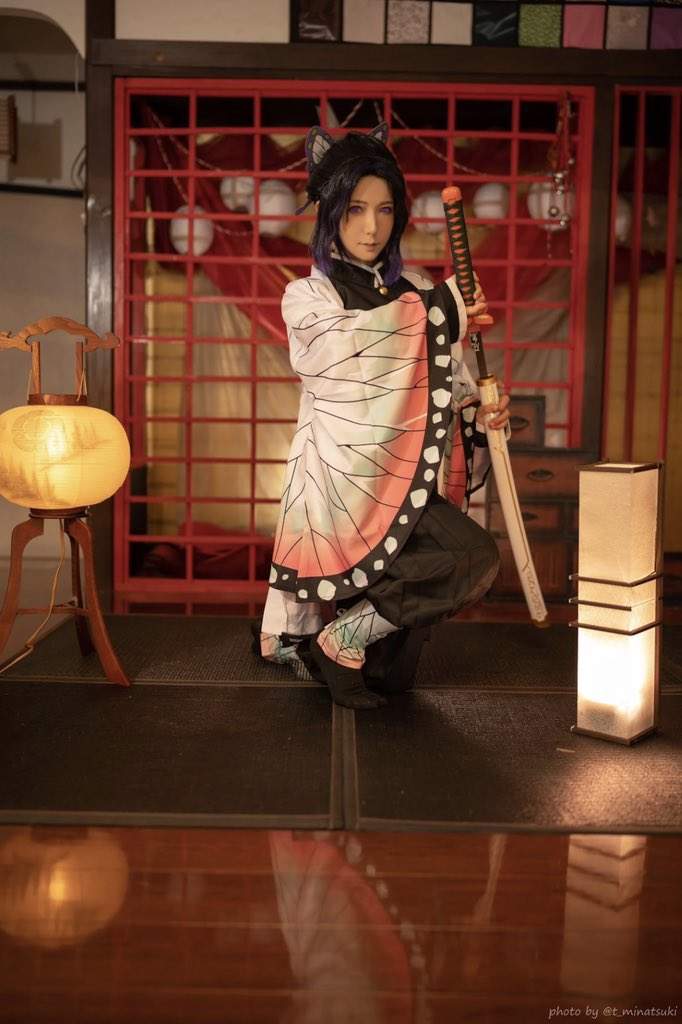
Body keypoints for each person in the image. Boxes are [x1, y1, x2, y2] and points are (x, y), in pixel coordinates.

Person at [255, 122, 510, 709]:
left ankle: (343, 638)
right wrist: (444, 311)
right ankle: (333, 641)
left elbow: (442, 386)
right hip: (338, 493)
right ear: (330, 214)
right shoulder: (308, 297)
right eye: (355, 209)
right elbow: (349, 357)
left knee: (466, 566)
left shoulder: (415, 288)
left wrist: (478, 411)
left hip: (400, 487)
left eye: (385, 209)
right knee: (385, 670)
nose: (372, 227)